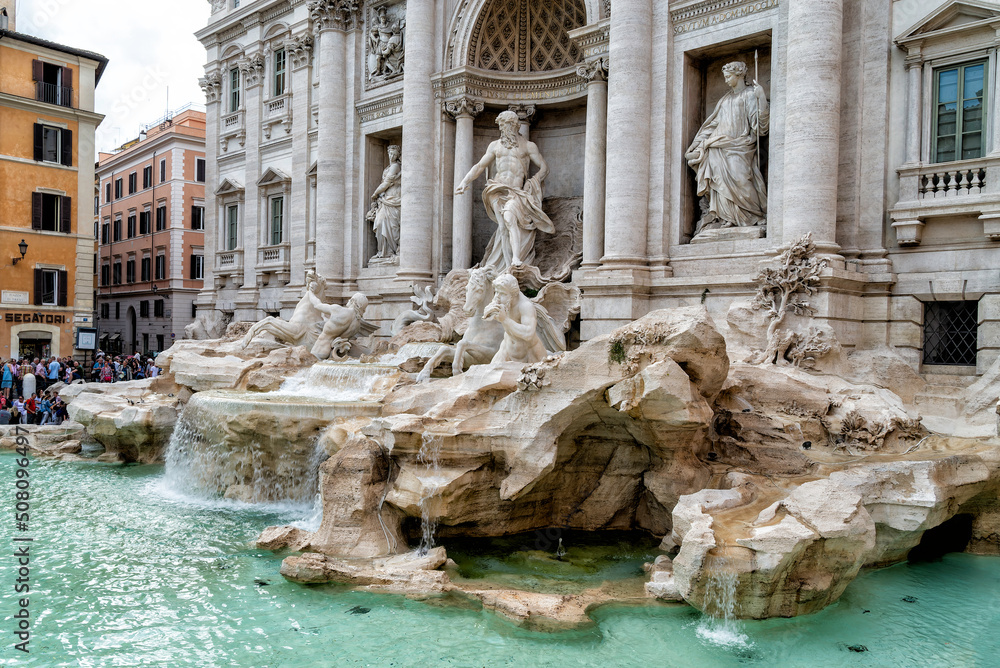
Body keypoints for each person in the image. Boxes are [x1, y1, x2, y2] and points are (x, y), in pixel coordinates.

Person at [455, 110, 554, 271]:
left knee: (509, 218)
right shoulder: (494, 146)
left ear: (515, 125)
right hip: (496, 189)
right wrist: (465, 181)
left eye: (506, 125)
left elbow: (544, 168)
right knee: (502, 226)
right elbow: (480, 166)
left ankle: (516, 258)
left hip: (515, 192)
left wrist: (533, 181)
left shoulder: (528, 146)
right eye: (501, 126)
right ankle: (508, 266)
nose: (503, 129)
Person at [685, 60, 769, 235]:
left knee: (741, 179)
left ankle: (754, 215)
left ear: (739, 75)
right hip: (717, 146)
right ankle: (727, 218)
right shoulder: (725, 100)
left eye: (729, 76)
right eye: (725, 77)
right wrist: (696, 144)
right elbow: (712, 125)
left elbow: (760, 126)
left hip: (740, 145)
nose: (726, 80)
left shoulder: (749, 95)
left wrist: (761, 98)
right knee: (719, 183)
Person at [483, 273, 547, 365]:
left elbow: (528, 333)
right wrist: (489, 313)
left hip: (530, 355)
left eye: (502, 293)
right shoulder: (504, 302)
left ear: (513, 295)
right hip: (506, 349)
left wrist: (504, 319)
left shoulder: (525, 306)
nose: (497, 297)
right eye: (496, 292)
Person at [367, 144, 402, 261]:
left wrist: (375, 193)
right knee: (380, 221)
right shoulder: (388, 167)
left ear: (397, 155)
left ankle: (390, 250)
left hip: (394, 198)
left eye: (394, 154)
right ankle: (383, 251)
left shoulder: (396, 166)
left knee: (392, 225)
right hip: (385, 199)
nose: (391, 156)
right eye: (390, 153)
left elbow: (387, 183)